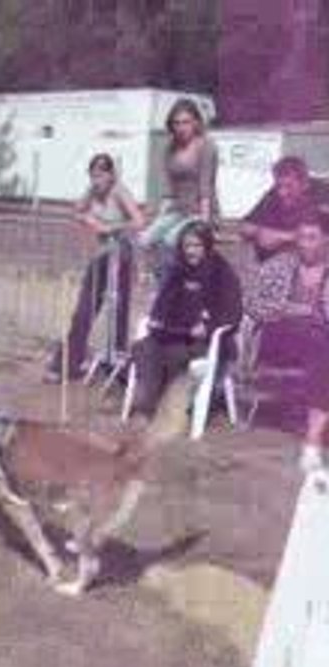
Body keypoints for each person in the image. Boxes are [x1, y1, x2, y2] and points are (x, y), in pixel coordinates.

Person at [45, 153, 145, 383]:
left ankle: (116, 367)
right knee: (84, 310)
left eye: (101, 175)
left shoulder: (119, 192)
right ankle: (67, 364)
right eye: (93, 175)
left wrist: (112, 227)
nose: (96, 180)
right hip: (101, 256)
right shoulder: (91, 192)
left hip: (121, 255)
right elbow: (77, 211)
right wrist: (89, 221)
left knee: (118, 312)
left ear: (111, 175)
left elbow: (139, 221)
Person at [129, 220, 242, 418]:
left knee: (174, 354)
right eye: (187, 246)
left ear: (207, 246)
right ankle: (148, 406)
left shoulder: (223, 273)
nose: (191, 251)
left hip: (208, 342)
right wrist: (157, 321)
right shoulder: (176, 270)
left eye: (197, 246)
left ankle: (160, 407)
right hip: (173, 334)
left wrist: (209, 326)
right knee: (143, 347)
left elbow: (233, 314)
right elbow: (160, 308)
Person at [245, 213, 329, 472]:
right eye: (301, 237)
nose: (304, 243)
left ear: (326, 240)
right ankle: (314, 441)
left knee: (322, 350)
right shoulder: (280, 265)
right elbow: (251, 302)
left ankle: (312, 439)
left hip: (319, 342)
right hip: (279, 336)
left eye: (312, 238)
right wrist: (290, 309)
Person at [138, 98, 219, 286]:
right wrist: (158, 219)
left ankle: (170, 288)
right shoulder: (170, 147)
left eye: (186, 122)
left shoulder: (206, 146)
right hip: (177, 210)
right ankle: (160, 284)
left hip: (200, 210)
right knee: (145, 239)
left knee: (170, 241)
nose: (181, 127)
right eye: (176, 123)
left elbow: (206, 187)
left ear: (196, 123)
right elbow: (169, 189)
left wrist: (206, 225)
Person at [240, 156, 329, 263]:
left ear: (304, 184)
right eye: (279, 186)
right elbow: (245, 226)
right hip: (276, 263)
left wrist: (285, 237)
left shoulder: (322, 194)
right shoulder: (273, 195)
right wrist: (260, 232)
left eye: (289, 186)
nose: (282, 193)